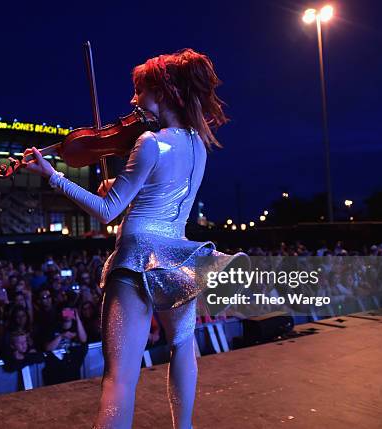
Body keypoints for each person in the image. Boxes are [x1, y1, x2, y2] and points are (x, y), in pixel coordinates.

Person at [24, 48, 248, 428]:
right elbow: (163, 191)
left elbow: (109, 210)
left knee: (119, 378)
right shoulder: (197, 143)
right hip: (176, 258)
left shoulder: (149, 142)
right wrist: (121, 183)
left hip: (136, 258)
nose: (132, 100)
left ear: (163, 92)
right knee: (181, 347)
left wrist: (53, 177)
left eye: (139, 91)